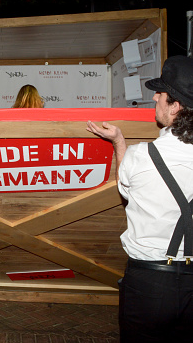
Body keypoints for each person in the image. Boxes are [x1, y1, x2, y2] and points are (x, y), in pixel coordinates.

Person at [86, 55, 193, 342]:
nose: (155, 97)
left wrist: (119, 143)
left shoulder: (141, 157)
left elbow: (124, 186)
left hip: (150, 283)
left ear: (175, 106)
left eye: (161, 93)